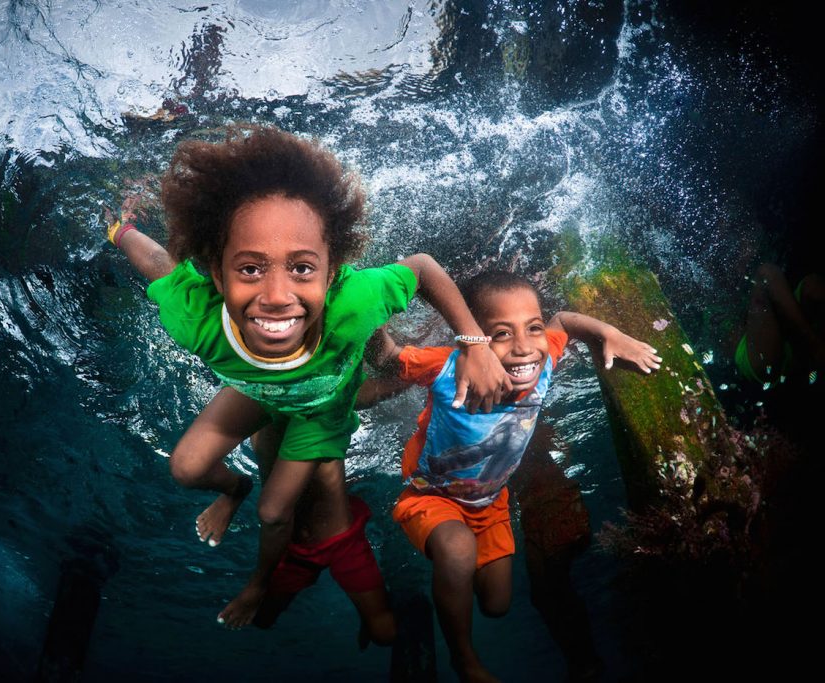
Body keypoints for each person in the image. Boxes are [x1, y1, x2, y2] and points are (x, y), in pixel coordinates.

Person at [106, 125, 511, 630]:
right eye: (250, 269)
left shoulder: (354, 301)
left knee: (276, 513)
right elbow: (159, 265)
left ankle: (256, 585)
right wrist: (120, 230)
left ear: (332, 269)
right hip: (257, 393)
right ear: (216, 273)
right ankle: (234, 490)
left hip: (320, 414)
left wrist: (473, 343)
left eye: (301, 269)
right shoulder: (197, 320)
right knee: (185, 469)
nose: (277, 295)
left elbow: (424, 267)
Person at [366, 270, 660, 682]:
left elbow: (563, 323)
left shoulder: (543, 362)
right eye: (502, 334)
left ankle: (450, 608)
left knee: (496, 604)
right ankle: (464, 659)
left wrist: (607, 333)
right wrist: (365, 309)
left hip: (491, 504)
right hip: (430, 496)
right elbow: (389, 358)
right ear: (473, 340)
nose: (524, 348)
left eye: (531, 328)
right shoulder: (448, 366)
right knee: (456, 549)